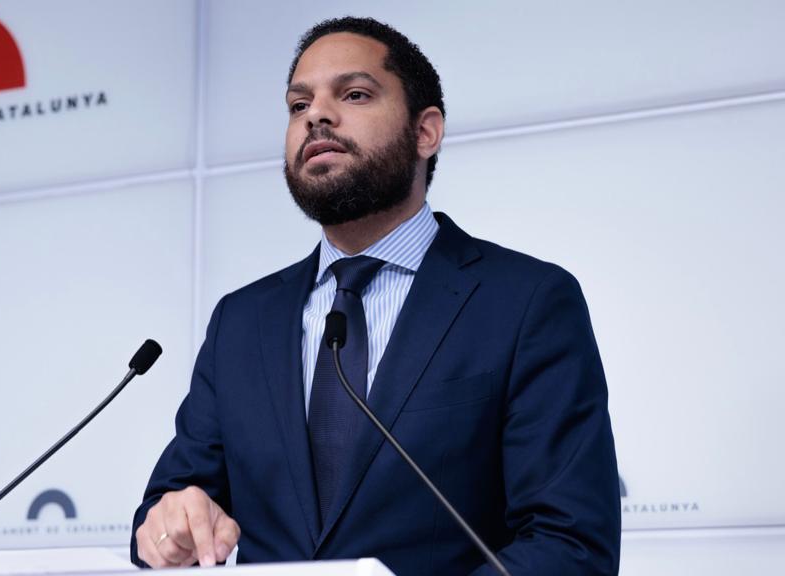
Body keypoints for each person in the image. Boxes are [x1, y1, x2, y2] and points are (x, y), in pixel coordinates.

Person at [131, 16, 620, 575]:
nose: (315, 115)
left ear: (425, 132)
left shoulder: (526, 302)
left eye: (355, 94)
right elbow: (165, 512)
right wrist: (169, 527)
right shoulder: (240, 322)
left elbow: (569, 544)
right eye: (298, 105)